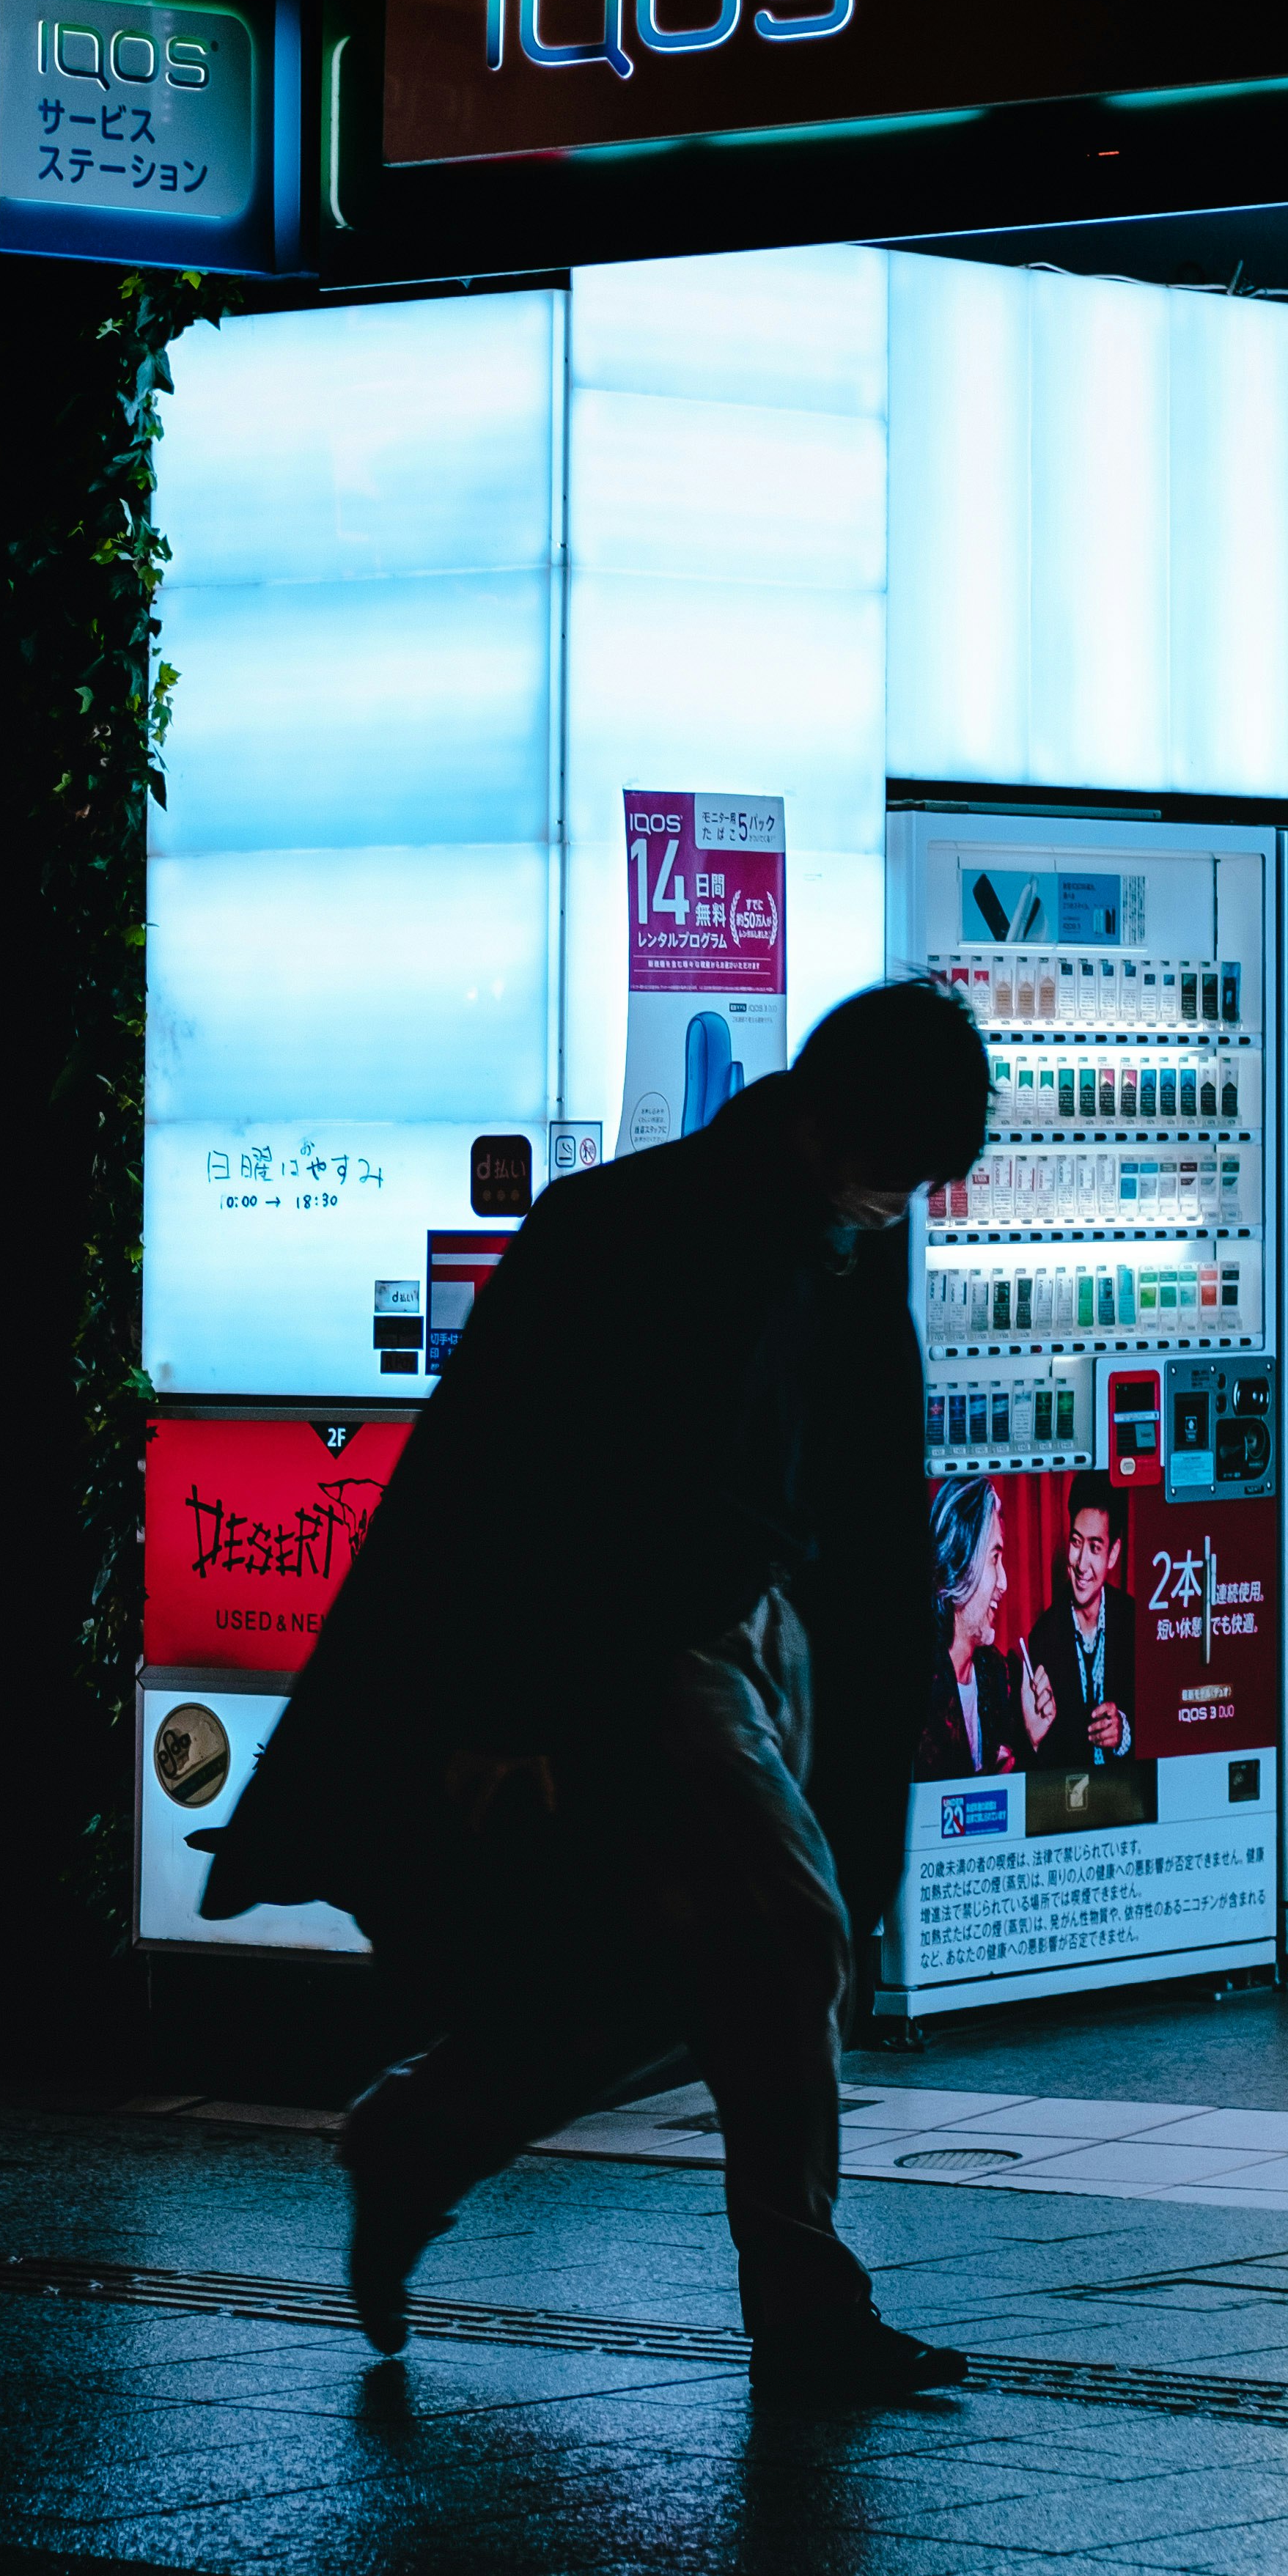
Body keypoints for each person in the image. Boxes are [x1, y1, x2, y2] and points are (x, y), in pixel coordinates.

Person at [193, 977, 992, 2402]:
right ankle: (802, 2306)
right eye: (894, 1172)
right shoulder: (634, 1228)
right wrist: (502, 1709)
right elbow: (494, 1490)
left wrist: (894, 1668)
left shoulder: (828, 1236)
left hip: (742, 1636)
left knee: (686, 1971)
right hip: (639, 1652)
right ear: (828, 1126)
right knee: (788, 1933)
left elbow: (866, 1494)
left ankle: (422, 2136)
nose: (898, 1205)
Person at [914, 1481, 1056, 1778]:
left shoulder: (997, 1673)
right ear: (959, 1563)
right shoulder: (922, 1688)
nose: (1004, 1582)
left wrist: (1032, 1737)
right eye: (994, 1557)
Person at [1026, 1473, 1135, 1770]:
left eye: (1095, 1547)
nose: (1081, 1563)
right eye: (1076, 1542)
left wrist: (1125, 1732)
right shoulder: (1042, 1638)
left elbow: (1163, 1721)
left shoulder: (1134, 1622)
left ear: (1113, 1554)